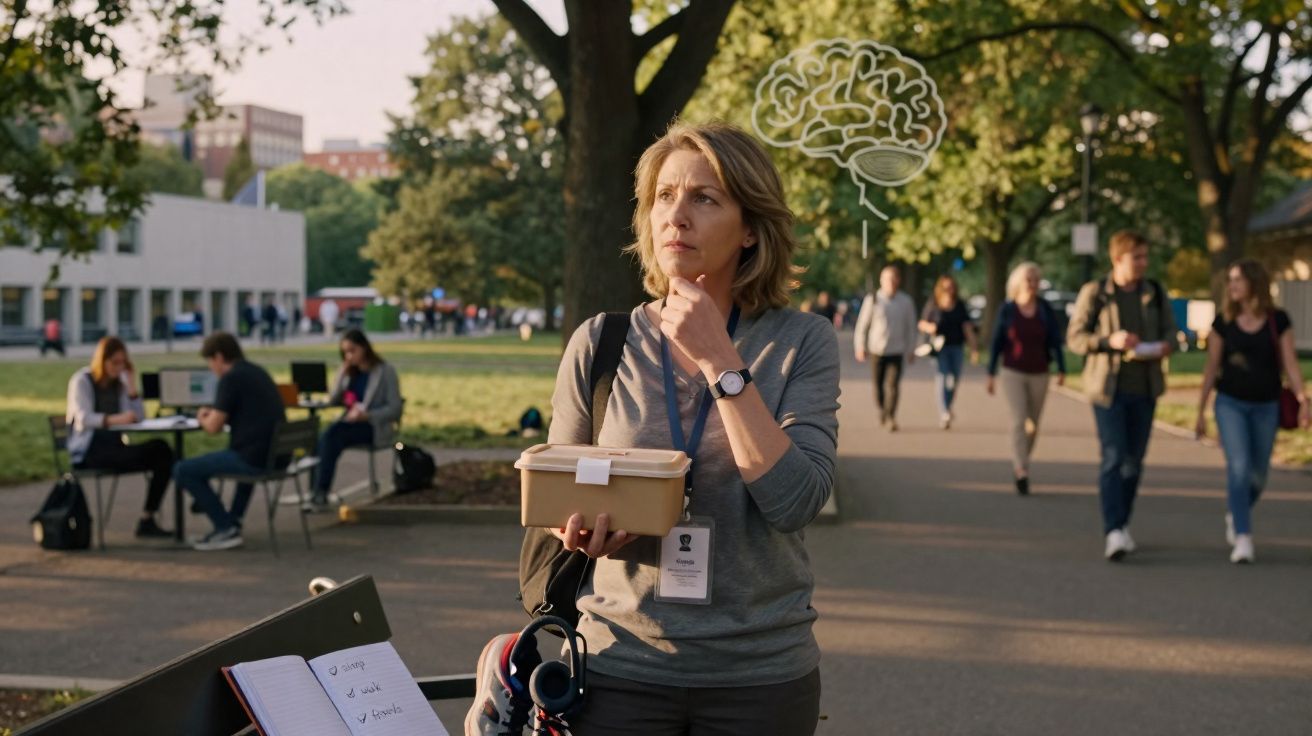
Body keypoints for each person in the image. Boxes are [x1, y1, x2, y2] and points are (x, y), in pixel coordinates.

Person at [468, 122, 838, 736]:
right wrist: (574, 529)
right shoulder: (601, 342)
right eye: (664, 196)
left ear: (751, 228)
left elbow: (795, 501)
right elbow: (559, 491)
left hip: (760, 677)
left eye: (704, 198)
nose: (676, 216)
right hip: (619, 666)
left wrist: (721, 361)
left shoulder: (801, 342)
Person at [1067, 230, 1176, 561]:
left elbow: (1171, 332)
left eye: (1145, 256)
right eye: (1136, 257)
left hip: (1145, 388)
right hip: (1108, 389)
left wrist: (1164, 345)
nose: (1143, 263)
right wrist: (1108, 342)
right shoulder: (1096, 293)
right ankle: (1113, 529)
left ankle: (1122, 521)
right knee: (1114, 456)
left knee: (1134, 461)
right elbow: (1075, 338)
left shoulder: (1154, 292)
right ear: (1118, 259)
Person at [1195, 259, 1310, 563]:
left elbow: (1290, 363)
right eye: (1230, 280)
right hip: (1230, 403)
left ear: (1254, 283)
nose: (1232, 285)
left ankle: (1237, 511)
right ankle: (1243, 536)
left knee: (1258, 475)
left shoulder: (1278, 320)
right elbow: (1211, 368)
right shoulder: (1223, 322)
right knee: (1240, 466)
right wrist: (1201, 410)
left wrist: (1303, 400)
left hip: (1266, 406)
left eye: (1238, 279)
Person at [173, 332, 285, 551]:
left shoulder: (231, 378)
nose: (211, 368)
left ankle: (224, 527)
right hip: (277, 455)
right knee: (235, 456)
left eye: (210, 362)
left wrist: (201, 416)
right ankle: (234, 519)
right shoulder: (256, 371)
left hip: (254, 458)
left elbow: (213, 427)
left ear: (218, 356)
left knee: (183, 470)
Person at [65, 337, 174, 538]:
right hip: (90, 450)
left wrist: (131, 389)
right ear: (102, 361)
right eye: (114, 362)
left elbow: (139, 418)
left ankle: (148, 517)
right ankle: (191, 490)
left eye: (122, 363)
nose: (118, 368)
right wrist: (114, 419)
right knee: (162, 453)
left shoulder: (119, 385)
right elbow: (83, 418)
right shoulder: (82, 381)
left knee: (162, 451)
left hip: (115, 447)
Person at [986, 263, 1066, 495]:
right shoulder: (1008, 309)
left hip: (1040, 371)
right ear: (1018, 283)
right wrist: (991, 372)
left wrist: (1061, 368)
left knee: (1033, 424)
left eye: (1035, 280)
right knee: (1019, 419)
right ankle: (1020, 468)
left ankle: (1022, 458)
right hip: (1013, 371)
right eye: (1028, 279)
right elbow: (997, 342)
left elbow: (1055, 340)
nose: (1032, 284)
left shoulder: (1044, 309)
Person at [308, 329, 403, 509]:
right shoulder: (350, 373)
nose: (349, 356)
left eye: (353, 351)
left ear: (364, 348)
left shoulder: (385, 371)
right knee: (324, 438)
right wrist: (341, 374)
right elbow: (333, 399)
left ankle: (320, 491)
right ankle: (316, 491)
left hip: (372, 425)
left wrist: (368, 415)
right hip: (349, 423)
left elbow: (395, 408)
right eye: (345, 352)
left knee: (332, 435)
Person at [854, 265, 917, 431]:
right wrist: (860, 346)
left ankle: (891, 417)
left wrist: (911, 349)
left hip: (896, 351)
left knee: (893, 385)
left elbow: (911, 327)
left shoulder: (906, 301)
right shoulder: (873, 299)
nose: (891, 282)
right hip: (877, 351)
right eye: (888, 279)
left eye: (894, 278)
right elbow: (862, 326)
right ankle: (883, 409)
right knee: (878, 387)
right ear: (881, 281)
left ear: (899, 280)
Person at [918, 275, 979, 429]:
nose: (949, 290)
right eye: (945, 287)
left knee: (954, 380)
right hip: (940, 348)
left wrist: (974, 348)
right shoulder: (934, 303)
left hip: (957, 347)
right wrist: (930, 327)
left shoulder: (959, 305)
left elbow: (967, 327)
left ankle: (948, 404)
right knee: (943, 377)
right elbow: (922, 323)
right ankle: (944, 412)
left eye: (951, 287)